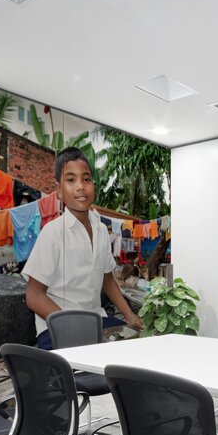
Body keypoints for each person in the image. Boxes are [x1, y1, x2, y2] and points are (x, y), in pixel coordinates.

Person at [23, 147, 143, 350]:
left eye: (86, 179)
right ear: (59, 190)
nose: (80, 187)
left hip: (97, 321)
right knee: (92, 374)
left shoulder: (101, 231)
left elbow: (107, 279)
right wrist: (70, 325)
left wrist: (129, 314)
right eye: (71, 180)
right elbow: (34, 296)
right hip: (56, 327)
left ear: (93, 185)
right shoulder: (53, 233)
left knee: (136, 349)